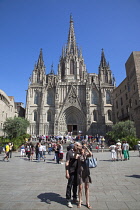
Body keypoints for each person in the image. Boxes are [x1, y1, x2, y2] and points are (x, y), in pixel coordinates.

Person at [65, 142, 81, 208]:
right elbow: (67, 163)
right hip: (71, 171)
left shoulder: (80, 152)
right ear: (74, 145)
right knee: (70, 185)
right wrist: (67, 172)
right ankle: (68, 200)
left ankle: (74, 197)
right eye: (78, 146)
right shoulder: (69, 152)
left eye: (79, 146)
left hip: (77, 171)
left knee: (75, 185)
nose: (79, 147)